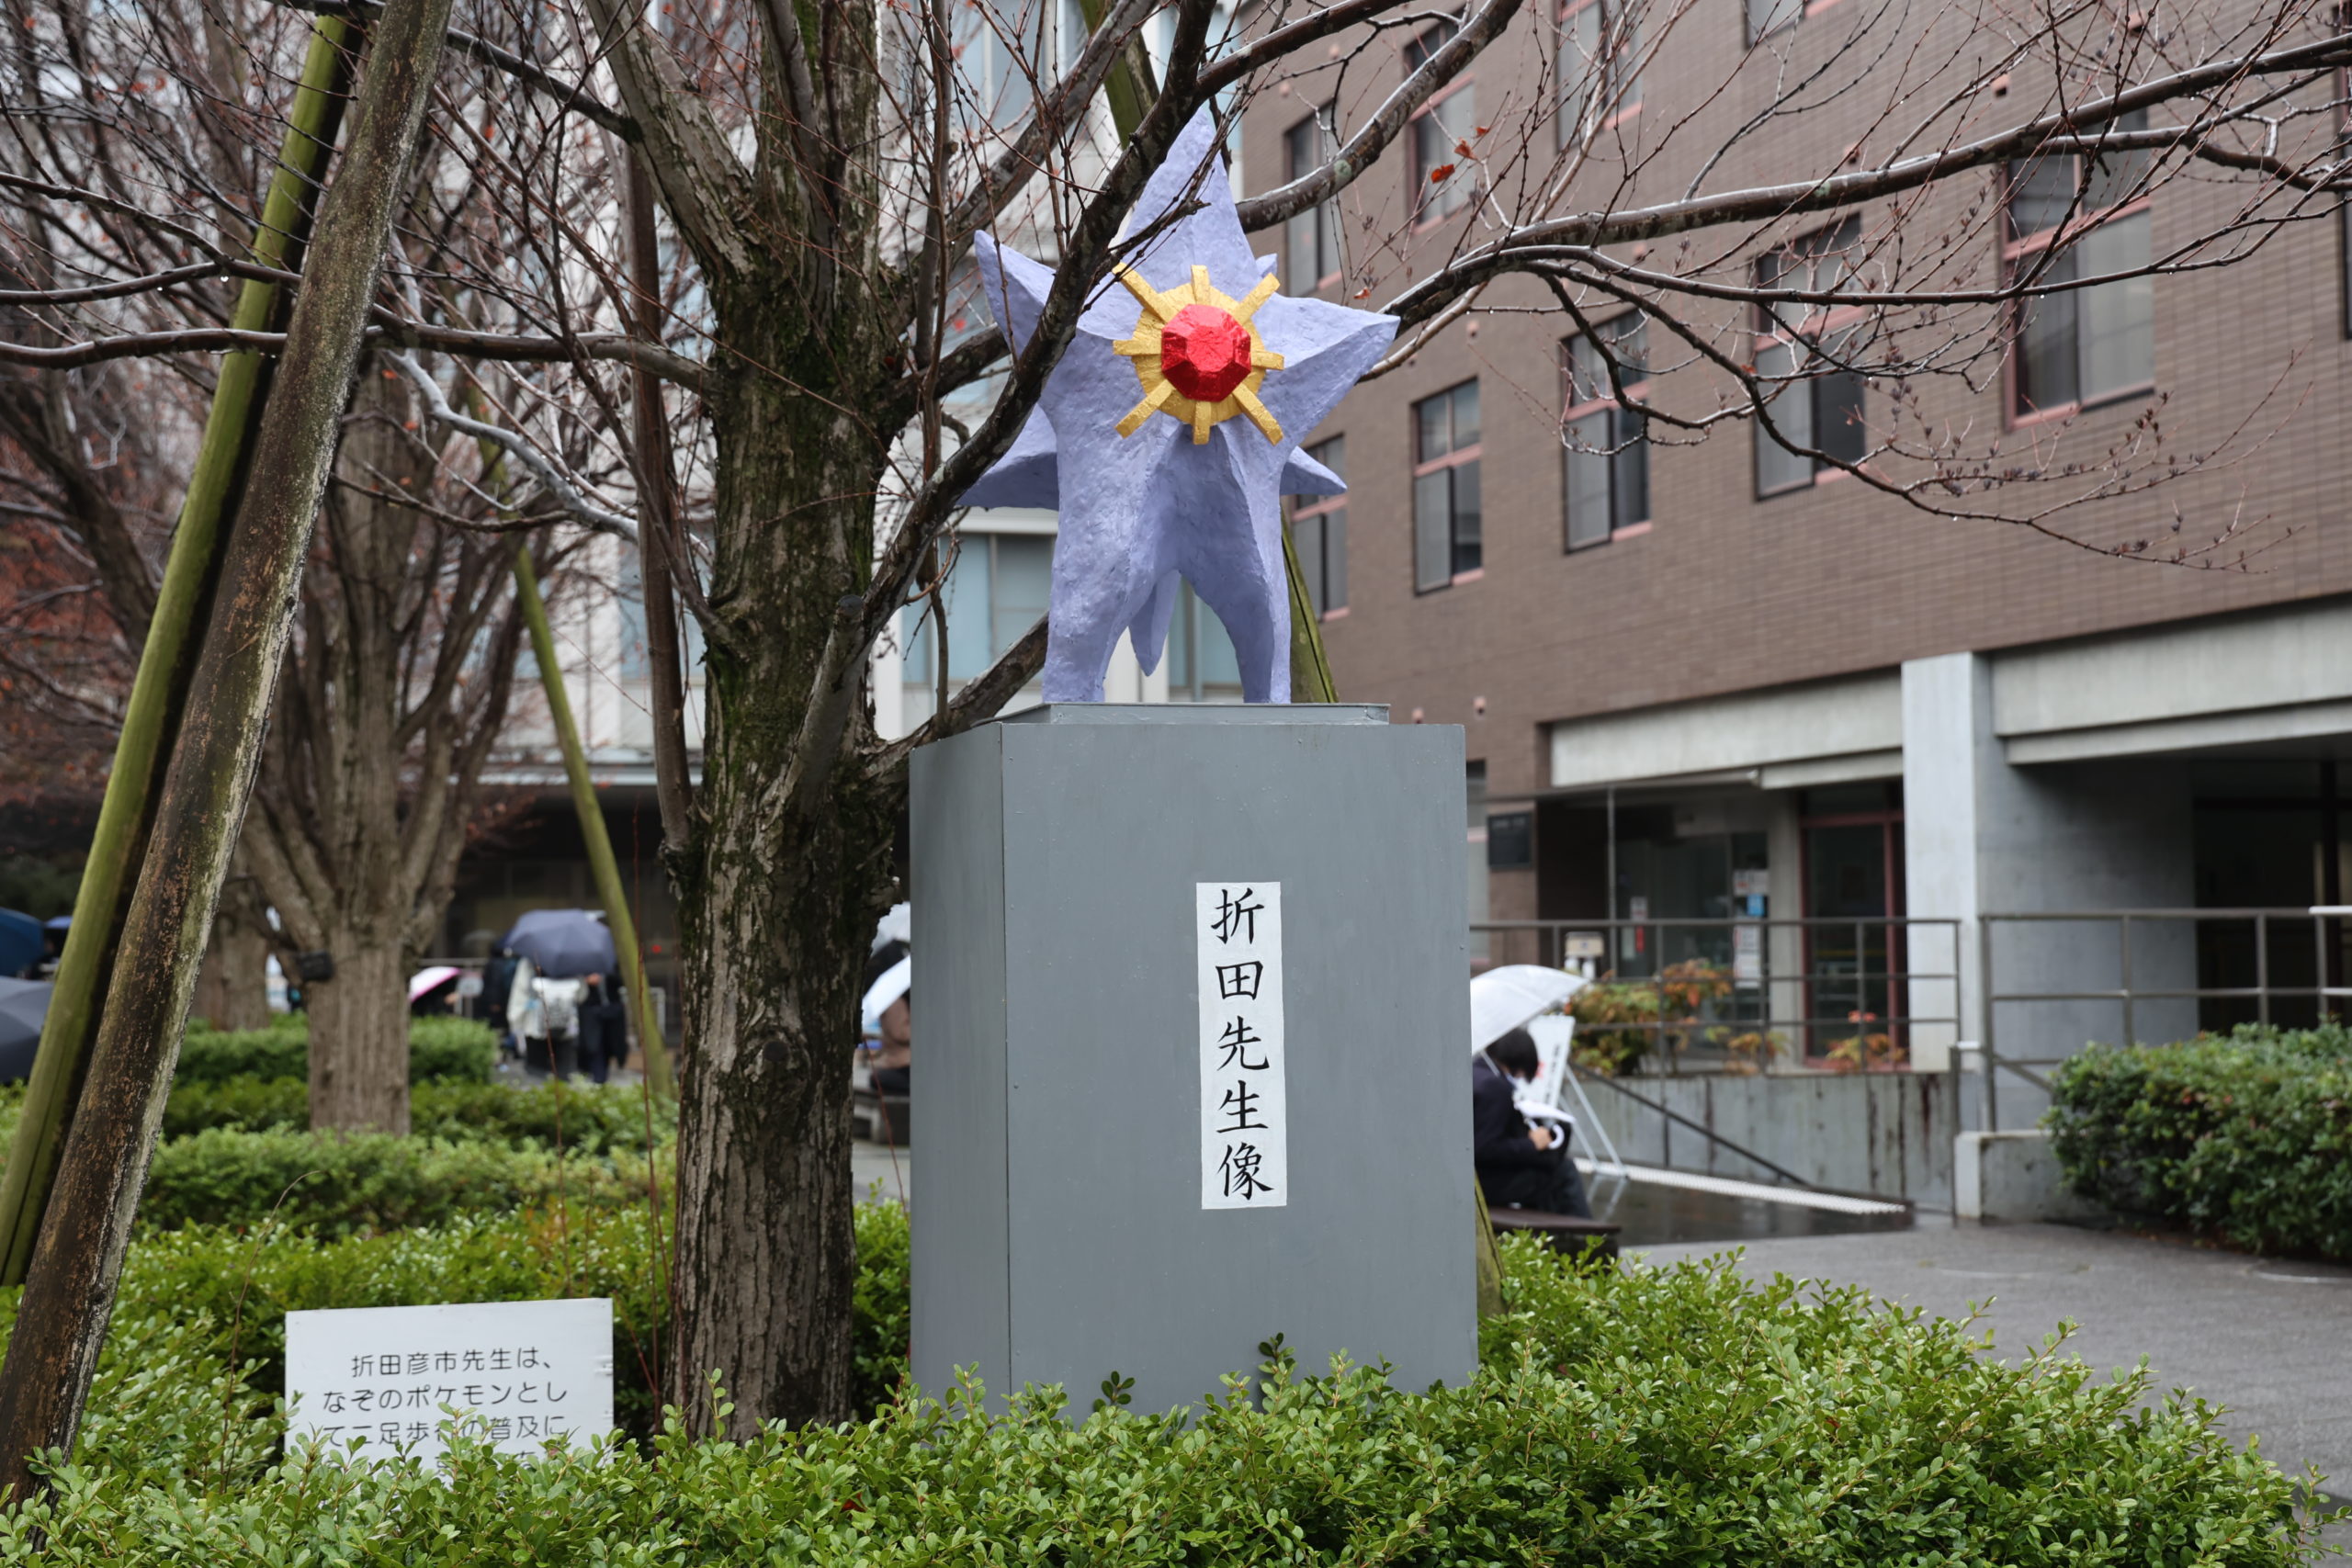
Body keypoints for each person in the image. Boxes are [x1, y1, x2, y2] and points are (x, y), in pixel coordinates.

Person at [1473, 1027, 1591, 1219]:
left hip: (1476, 1180)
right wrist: (1531, 1144)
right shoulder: (1494, 1087)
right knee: (1562, 1171)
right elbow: (1484, 1148)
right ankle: (1586, 1236)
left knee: (1548, 1173)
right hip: (1485, 1184)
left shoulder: (1475, 1074)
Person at [578, 971, 628, 1083]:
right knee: (594, 1044)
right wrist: (586, 980)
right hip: (590, 1010)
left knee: (610, 1043)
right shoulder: (582, 965)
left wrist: (604, 975)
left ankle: (602, 1075)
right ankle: (598, 1076)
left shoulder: (611, 963)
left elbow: (623, 980)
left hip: (612, 1010)